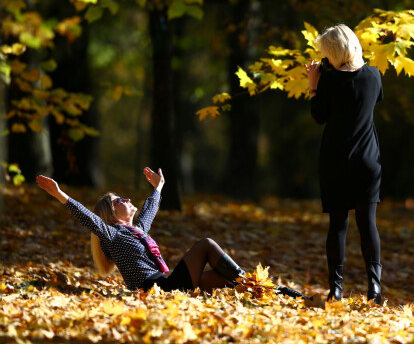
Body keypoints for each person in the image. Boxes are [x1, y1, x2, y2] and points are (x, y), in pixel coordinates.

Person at [36, 167, 309, 299]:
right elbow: (89, 219)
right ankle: (262, 286)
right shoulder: (113, 235)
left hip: (167, 283)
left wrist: (159, 187)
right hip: (158, 288)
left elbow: (149, 210)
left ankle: (282, 293)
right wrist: (61, 195)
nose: (126, 199)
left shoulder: (137, 230)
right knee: (205, 245)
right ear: (111, 215)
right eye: (118, 201)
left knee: (231, 282)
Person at [304, 24, 384, 304]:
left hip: (335, 159)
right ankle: (374, 287)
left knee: (338, 224)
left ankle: (336, 289)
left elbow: (319, 116)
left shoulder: (328, 82)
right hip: (367, 159)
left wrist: (314, 86)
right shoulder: (374, 75)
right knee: (367, 224)